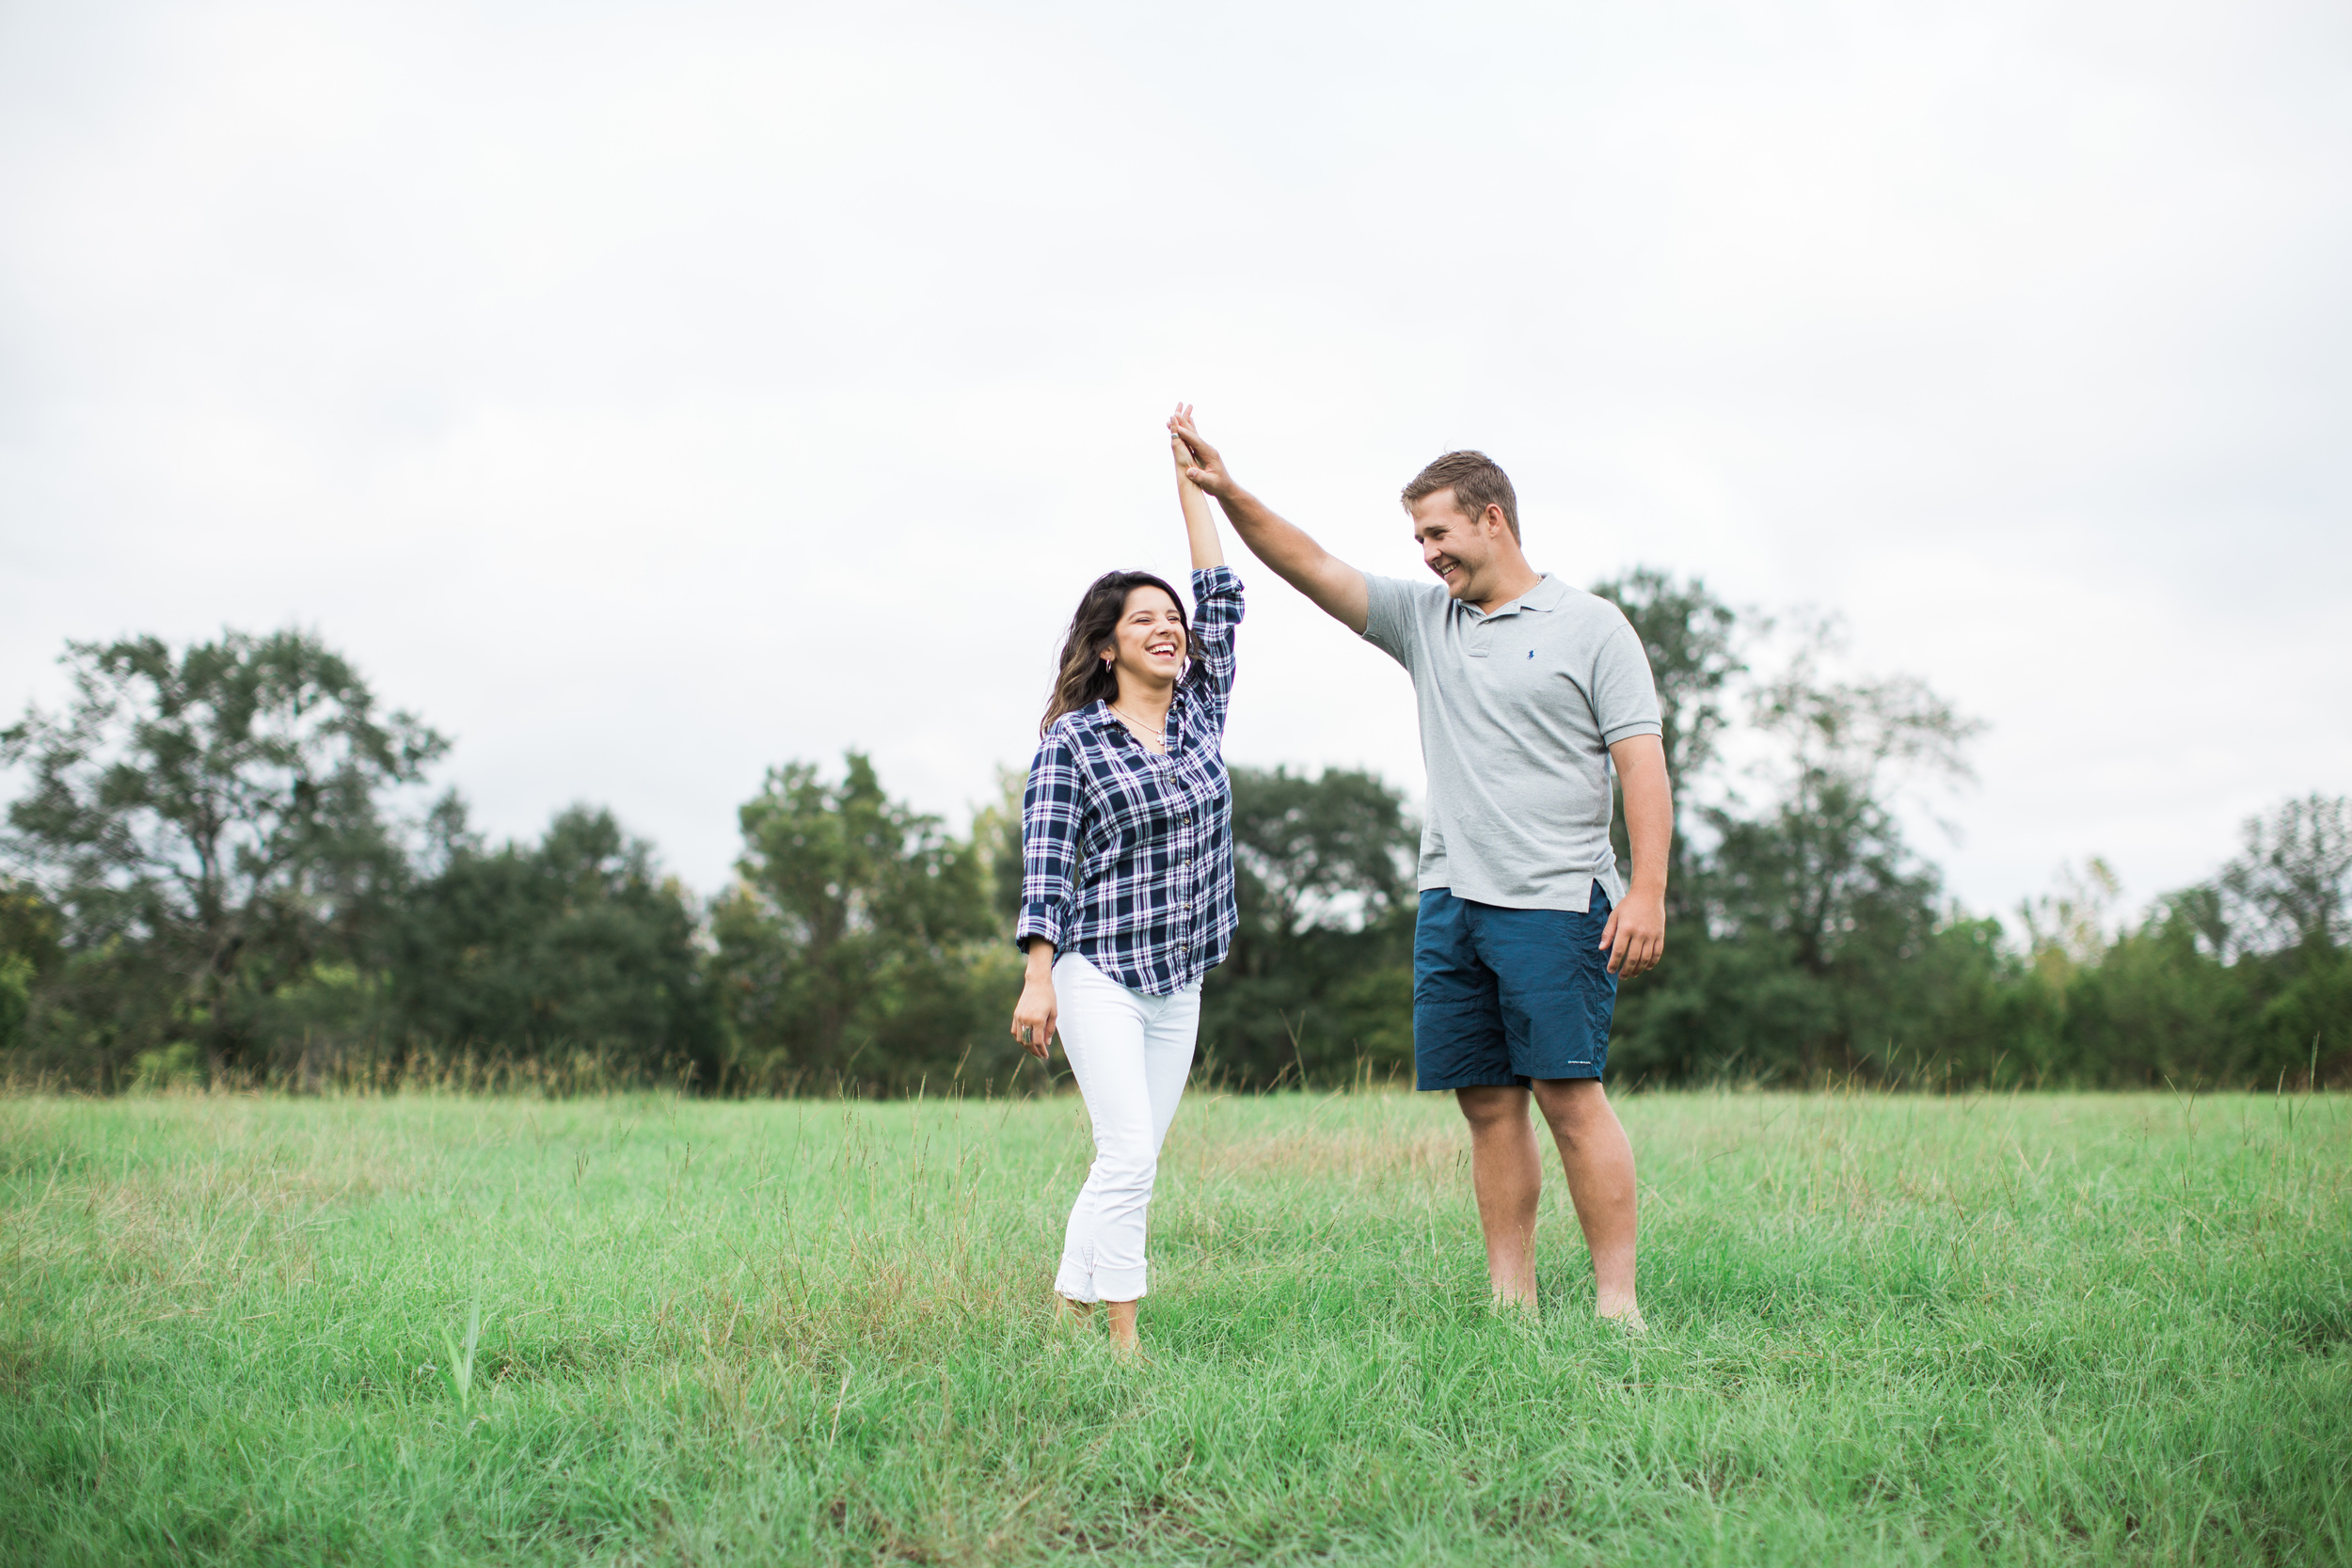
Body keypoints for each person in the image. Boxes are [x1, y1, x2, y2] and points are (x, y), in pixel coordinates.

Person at [1168, 411, 1668, 1329]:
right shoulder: (1423, 621)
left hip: (1558, 899)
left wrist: (1645, 888)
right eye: (1418, 538)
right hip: (1451, 899)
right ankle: (1510, 1303)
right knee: (1485, 1102)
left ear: (1492, 519)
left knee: (1568, 1095)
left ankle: (1615, 1304)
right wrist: (1229, 493)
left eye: (1437, 531)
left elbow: (1640, 761)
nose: (1427, 552)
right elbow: (1311, 563)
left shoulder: (1592, 628)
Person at [1010, 404, 1241, 1356]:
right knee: (1130, 1151)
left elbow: (1219, 590)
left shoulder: (1198, 715)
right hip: (1097, 968)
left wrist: (1192, 481)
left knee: (1131, 1155)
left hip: (1177, 973)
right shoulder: (1071, 743)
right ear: (1107, 644)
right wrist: (1037, 975)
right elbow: (1046, 866)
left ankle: (1063, 1309)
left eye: (1172, 621)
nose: (1170, 630)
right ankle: (1123, 1338)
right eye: (1144, 620)